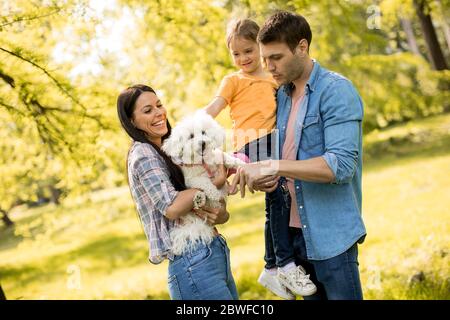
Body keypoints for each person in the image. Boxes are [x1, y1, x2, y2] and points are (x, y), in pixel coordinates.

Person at [230, 11, 367, 300]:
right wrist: (263, 175)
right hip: (292, 237)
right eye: (265, 58)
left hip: (330, 235)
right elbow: (278, 153)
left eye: (276, 58)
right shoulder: (279, 95)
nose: (268, 66)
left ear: (302, 47)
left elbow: (340, 166)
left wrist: (274, 166)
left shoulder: (336, 90)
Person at [204, 18, 316, 299]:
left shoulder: (273, 79)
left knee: (278, 201)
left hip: (274, 145)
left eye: (248, 51)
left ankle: (271, 267)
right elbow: (214, 108)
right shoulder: (233, 81)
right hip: (250, 146)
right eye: (236, 53)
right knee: (278, 198)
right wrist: (194, 129)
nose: (243, 58)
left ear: (260, 47)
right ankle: (285, 263)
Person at [117, 84, 238, 300]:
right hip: (192, 261)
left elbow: (207, 196)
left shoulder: (172, 146)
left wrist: (222, 214)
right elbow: (171, 207)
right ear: (132, 121)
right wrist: (215, 180)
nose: (158, 113)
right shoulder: (143, 154)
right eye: (147, 110)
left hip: (212, 250)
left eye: (159, 105)